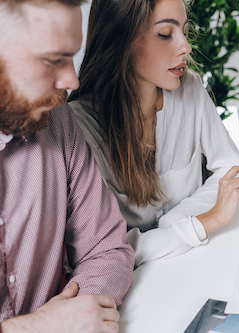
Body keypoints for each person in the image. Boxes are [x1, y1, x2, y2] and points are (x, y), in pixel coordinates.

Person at [68, 0, 239, 268]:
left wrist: (172, 223)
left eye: (185, 32)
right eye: (166, 34)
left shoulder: (189, 87)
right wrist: (207, 220)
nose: (186, 47)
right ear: (121, 40)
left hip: (198, 261)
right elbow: (107, 252)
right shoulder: (79, 127)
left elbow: (233, 169)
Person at [0, 0, 135, 332]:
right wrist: (35, 328)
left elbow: (107, 247)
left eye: (71, 56)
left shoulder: (57, 121)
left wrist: (80, 314)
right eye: (53, 60)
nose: (72, 81)